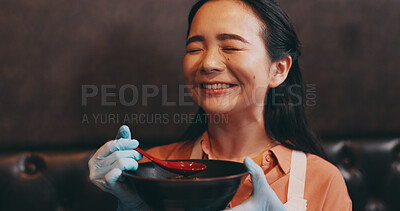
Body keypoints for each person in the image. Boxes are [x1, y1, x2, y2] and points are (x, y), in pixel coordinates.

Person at [88, 0, 352, 210]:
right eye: (194, 49)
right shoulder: (153, 171)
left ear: (278, 70)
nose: (208, 63)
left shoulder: (323, 180)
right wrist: (132, 206)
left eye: (231, 47)